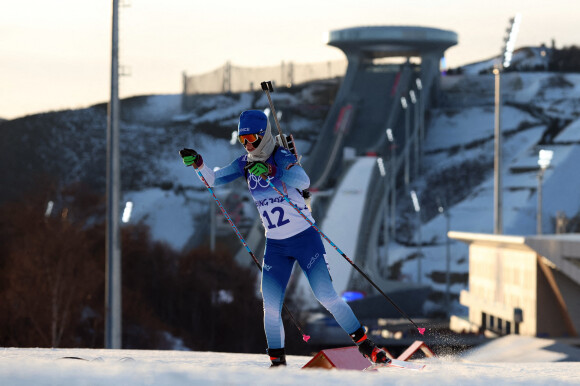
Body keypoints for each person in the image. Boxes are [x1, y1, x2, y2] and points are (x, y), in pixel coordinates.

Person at [179, 110, 389, 367]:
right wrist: (199, 164)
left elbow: (303, 179)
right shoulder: (244, 164)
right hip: (276, 245)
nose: (248, 145)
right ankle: (277, 364)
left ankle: (368, 347)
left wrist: (271, 170)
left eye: (252, 139)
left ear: (264, 136)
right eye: (243, 140)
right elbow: (214, 180)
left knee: (326, 296)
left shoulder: (282, 155)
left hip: (304, 238)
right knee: (270, 306)